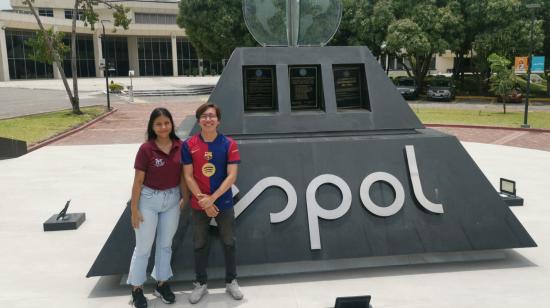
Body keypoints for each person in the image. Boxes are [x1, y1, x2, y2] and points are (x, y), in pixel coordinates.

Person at [181, 103, 243, 304]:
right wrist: (203, 201)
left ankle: (231, 281)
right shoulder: (188, 145)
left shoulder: (229, 144)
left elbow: (232, 176)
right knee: (199, 243)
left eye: (212, 116)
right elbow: (188, 177)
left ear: (218, 120)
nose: (208, 119)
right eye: (204, 116)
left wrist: (212, 199)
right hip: (199, 203)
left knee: (229, 241)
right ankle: (201, 284)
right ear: (198, 120)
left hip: (223, 202)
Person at [127, 107, 188, 308]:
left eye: (167, 123)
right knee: (143, 247)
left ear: (172, 124)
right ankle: (136, 289)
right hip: (148, 200)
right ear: (152, 127)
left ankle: (162, 284)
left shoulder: (181, 146)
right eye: (159, 124)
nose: (163, 127)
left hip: (171, 200)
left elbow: (183, 176)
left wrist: (184, 197)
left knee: (165, 245)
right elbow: (138, 181)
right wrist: (134, 209)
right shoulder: (146, 149)